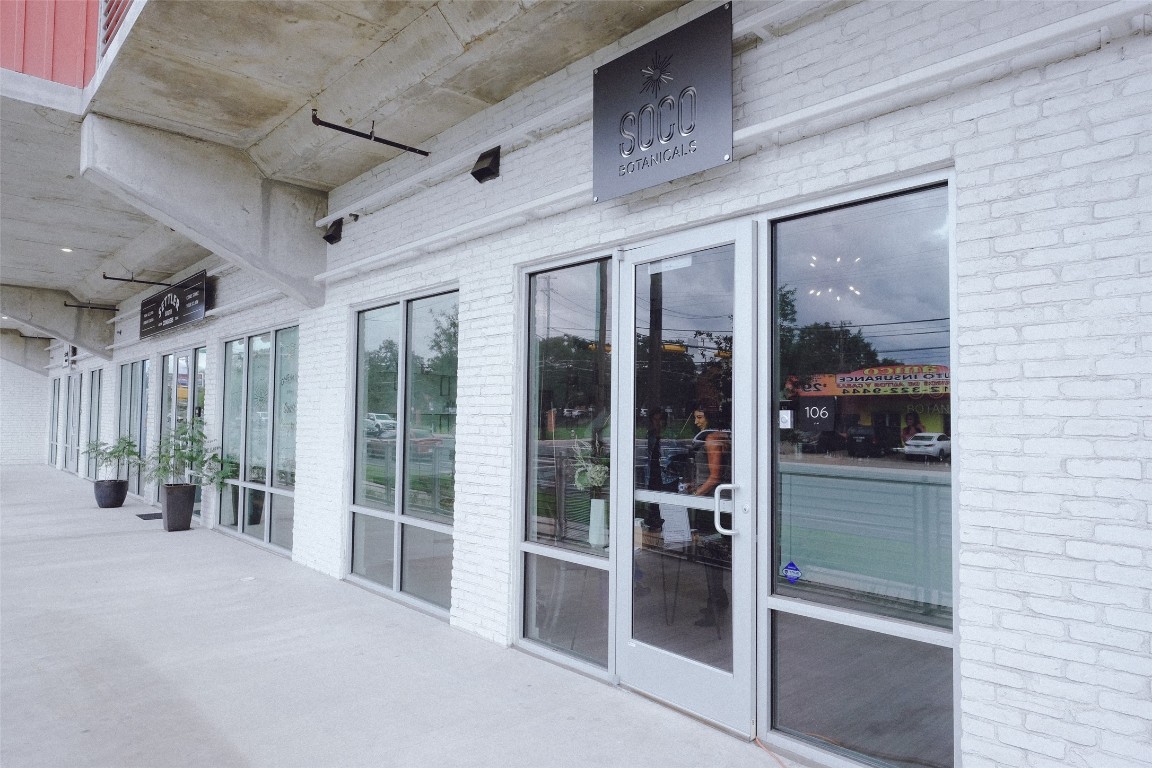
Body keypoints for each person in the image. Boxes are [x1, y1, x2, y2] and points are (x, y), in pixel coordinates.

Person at [688, 407, 731, 627]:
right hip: (711, 498)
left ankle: (715, 603)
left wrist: (695, 495)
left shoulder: (713, 438)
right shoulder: (720, 437)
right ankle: (718, 597)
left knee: (710, 553)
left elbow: (714, 476)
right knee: (712, 553)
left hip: (709, 501)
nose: (696, 422)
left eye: (700, 417)